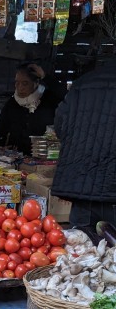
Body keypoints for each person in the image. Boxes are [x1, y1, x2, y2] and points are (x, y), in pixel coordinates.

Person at [52, 56, 116, 229]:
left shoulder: (83, 83)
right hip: (111, 190)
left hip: (83, 188)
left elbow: (60, 123)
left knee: (82, 249)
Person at [0, 63, 66, 155]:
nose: (20, 88)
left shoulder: (49, 99)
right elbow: (1, 130)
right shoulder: (12, 103)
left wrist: (45, 77)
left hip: (44, 157)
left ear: (36, 83)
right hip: (16, 157)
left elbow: (67, 96)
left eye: (25, 83)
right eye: (17, 82)